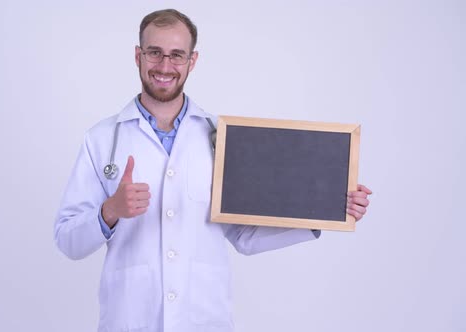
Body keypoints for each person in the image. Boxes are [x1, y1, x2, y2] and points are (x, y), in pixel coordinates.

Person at [54, 8, 372, 332]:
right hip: (130, 320)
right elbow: (68, 240)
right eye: (154, 53)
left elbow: (244, 236)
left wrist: (327, 210)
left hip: (204, 320)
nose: (165, 66)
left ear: (192, 61)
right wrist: (110, 211)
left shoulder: (221, 138)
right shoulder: (102, 138)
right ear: (138, 56)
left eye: (176, 55)